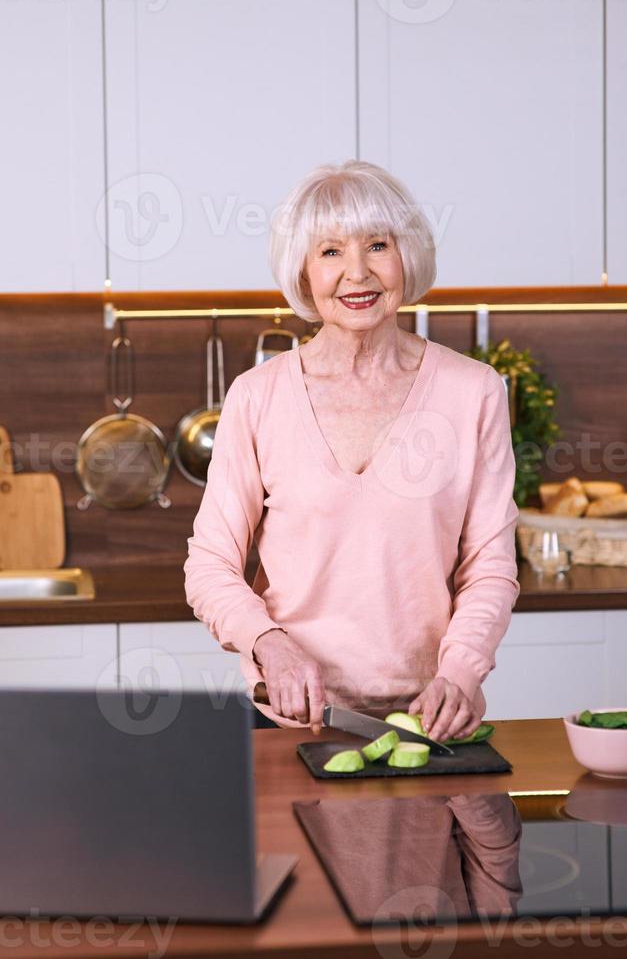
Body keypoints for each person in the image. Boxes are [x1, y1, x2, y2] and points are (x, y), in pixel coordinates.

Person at [184, 159, 519, 742]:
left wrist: (462, 671)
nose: (357, 274)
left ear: (406, 257)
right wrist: (269, 645)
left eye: (377, 245)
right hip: (289, 720)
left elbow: (489, 564)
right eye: (330, 252)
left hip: (430, 719)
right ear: (304, 271)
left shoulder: (474, 391)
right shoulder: (257, 396)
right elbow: (210, 564)